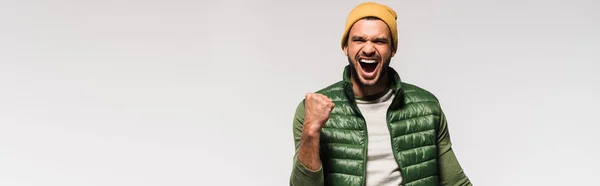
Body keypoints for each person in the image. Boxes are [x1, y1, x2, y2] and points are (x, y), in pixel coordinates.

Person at [288, 2, 472, 186]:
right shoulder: (312, 110)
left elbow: (456, 182)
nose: (368, 49)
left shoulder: (427, 107)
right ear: (345, 47)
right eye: (359, 40)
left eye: (379, 41)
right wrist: (311, 131)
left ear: (393, 49)